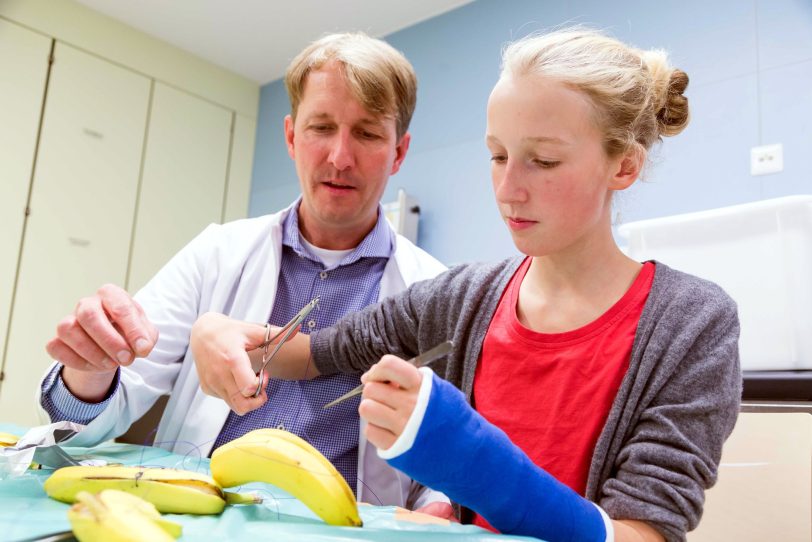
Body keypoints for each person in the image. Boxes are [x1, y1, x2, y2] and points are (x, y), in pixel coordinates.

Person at [191, 28, 742, 542]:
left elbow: (641, 534)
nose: (508, 189)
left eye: (543, 161)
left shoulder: (692, 323)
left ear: (623, 167)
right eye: (497, 155)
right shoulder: (464, 297)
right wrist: (220, 333)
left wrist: (468, 460)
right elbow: (317, 354)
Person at [36, 32, 452, 514]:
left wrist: (439, 506)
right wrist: (91, 369)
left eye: (367, 133)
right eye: (321, 127)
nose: (340, 157)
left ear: (398, 152)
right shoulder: (218, 252)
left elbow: (446, 467)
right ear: (292, 137)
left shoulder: (434, 293)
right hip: (196, 514)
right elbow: (101, 406)